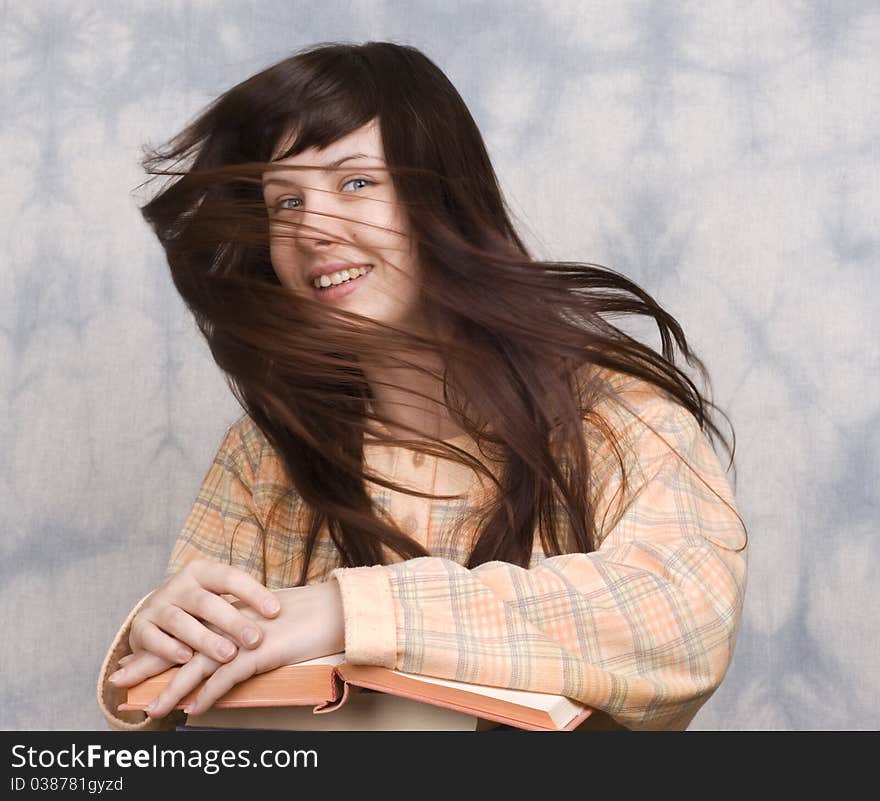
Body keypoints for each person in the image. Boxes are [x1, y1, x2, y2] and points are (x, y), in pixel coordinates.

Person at [96, 40, 748, 733]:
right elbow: (191, 723)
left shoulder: (615, 416)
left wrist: (349, 611)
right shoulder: (263, 453)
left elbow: (684, 615)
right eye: (285, 201)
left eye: (355, 183)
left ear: (444, 196)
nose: (313, 229)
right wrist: (160, 639)